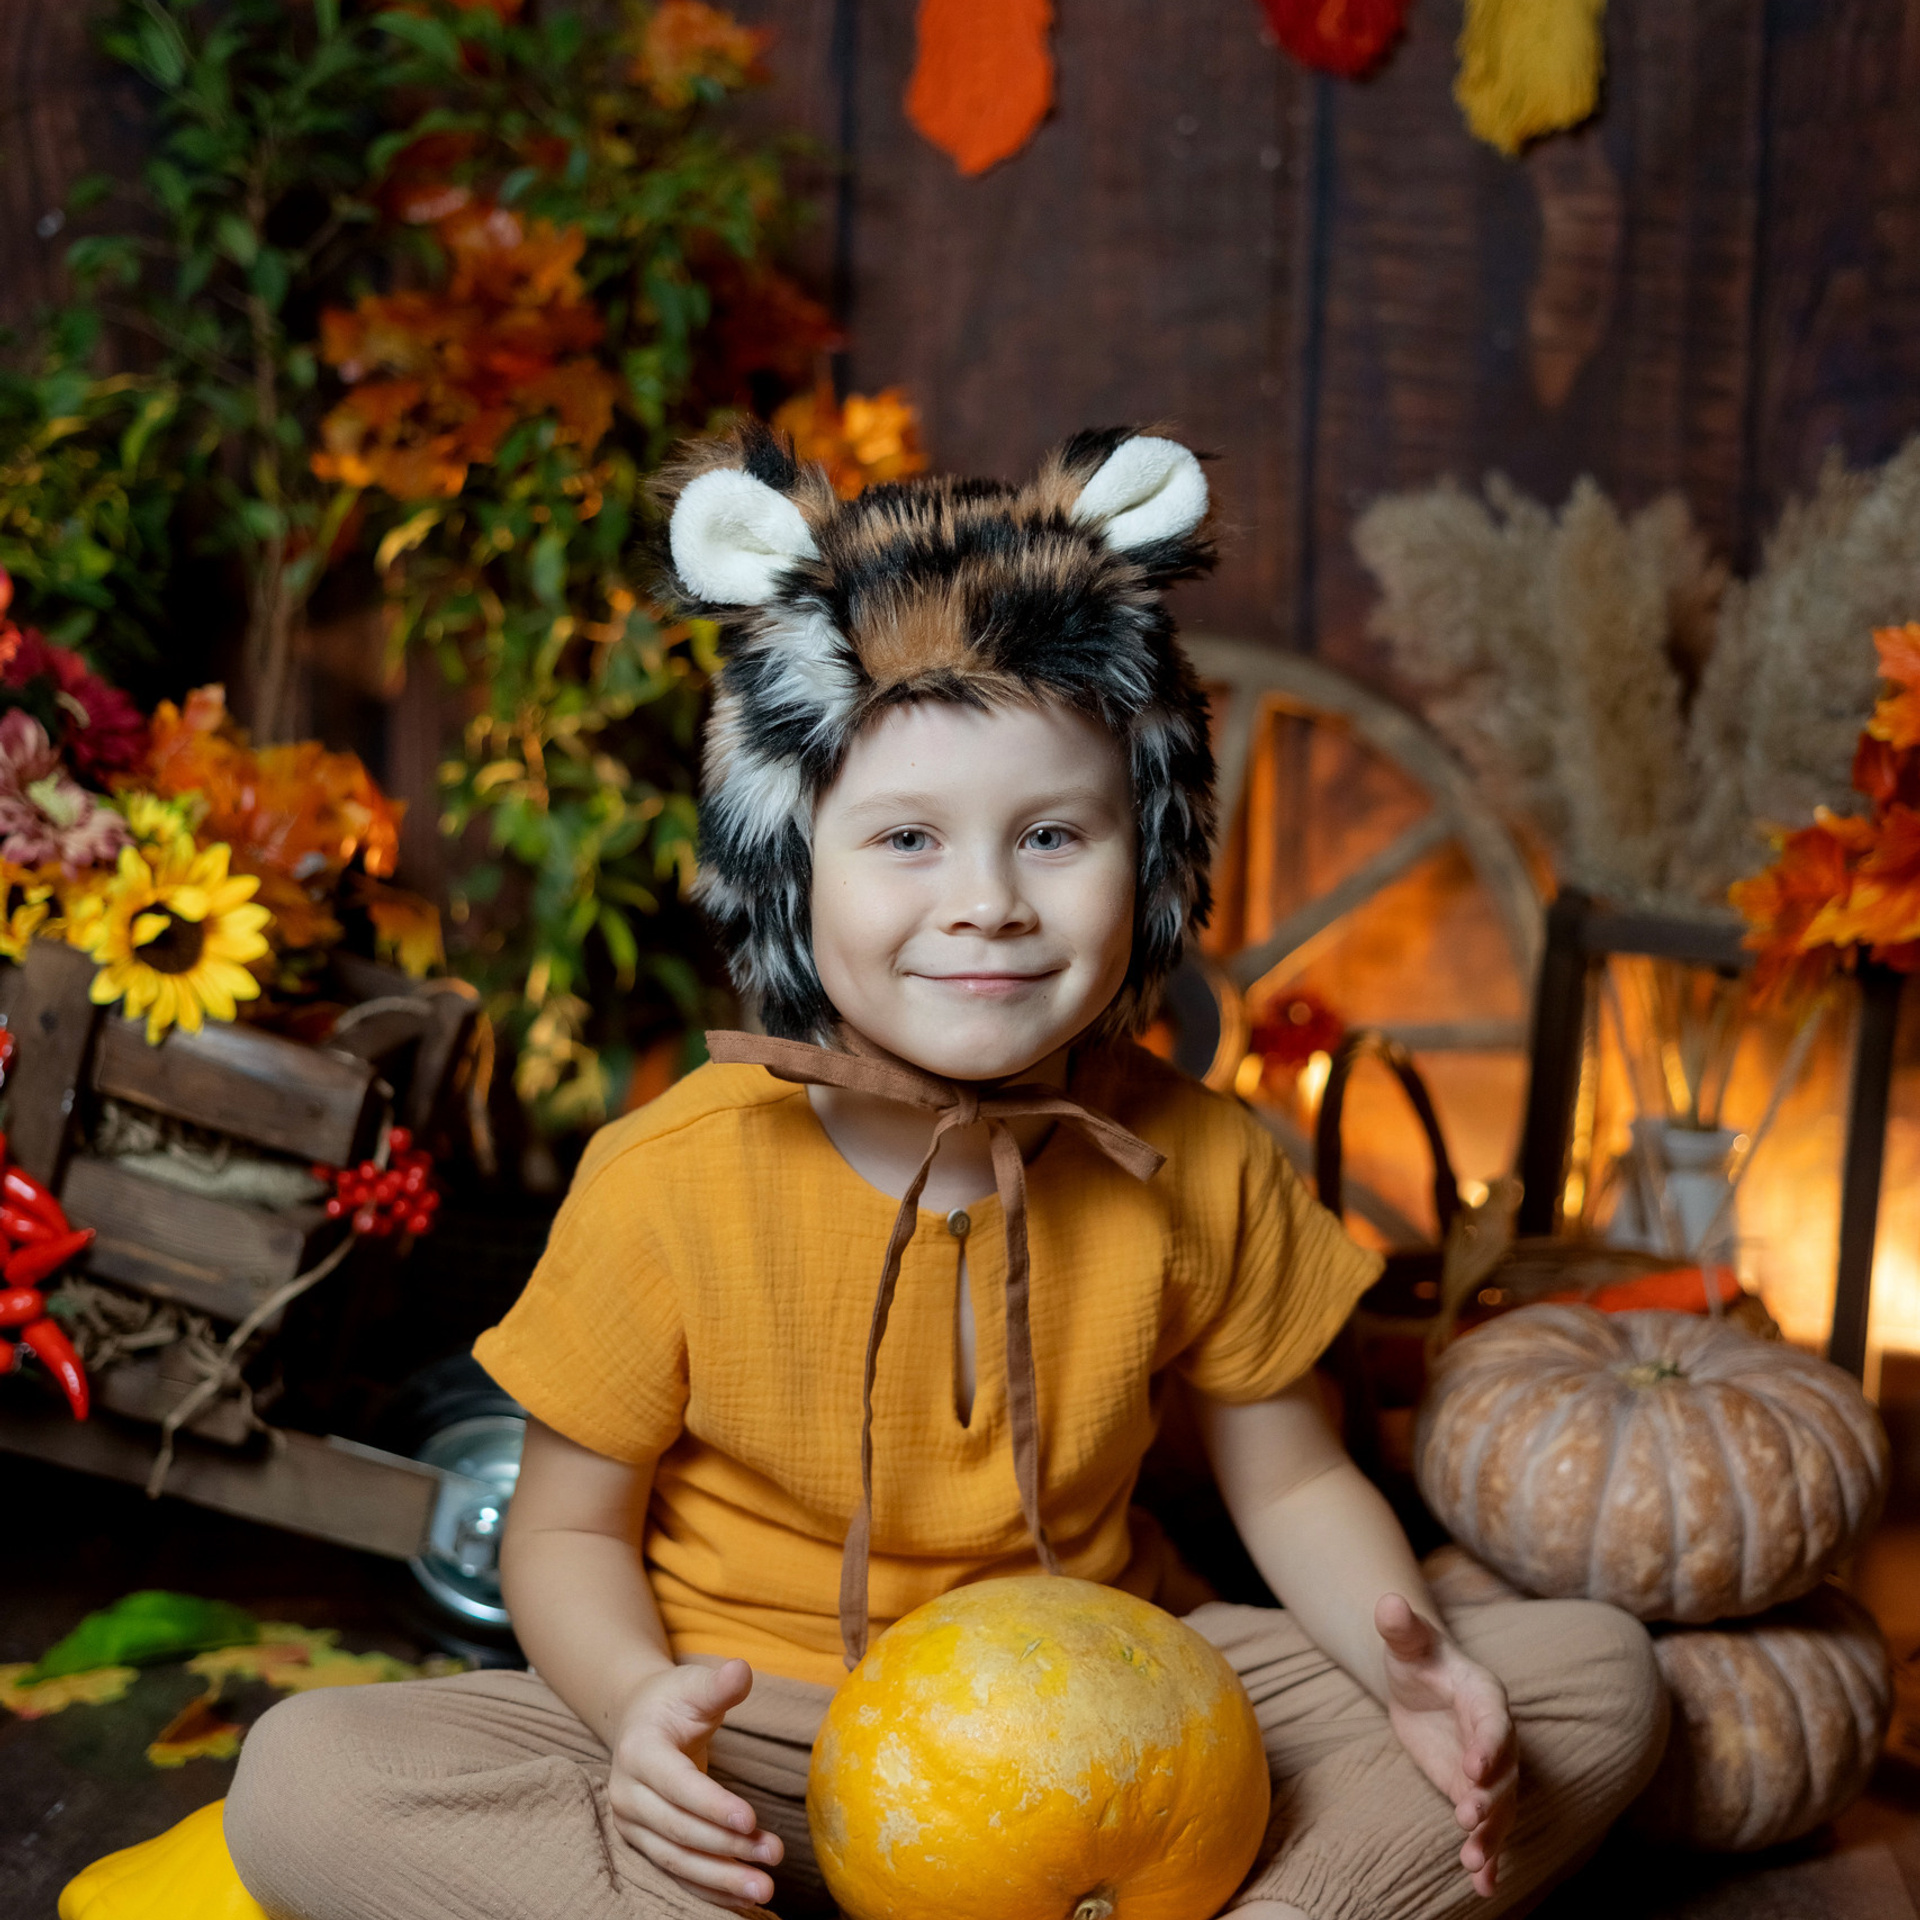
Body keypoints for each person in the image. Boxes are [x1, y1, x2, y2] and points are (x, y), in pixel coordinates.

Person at [226, 425, 1667, 1920]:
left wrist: (1403, 1664)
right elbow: (567, 1527)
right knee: (310, 1774)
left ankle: (1280, 1911)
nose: (986, 905)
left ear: (1152, 851)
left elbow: (1292, 1476)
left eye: (1053, 834)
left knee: (1587, 1682)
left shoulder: (1202, 1154)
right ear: (790, 869)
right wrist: (635, 1712)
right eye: (906, 838)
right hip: (763, 1725)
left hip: (1117, 1721)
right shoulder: (668, 1176)